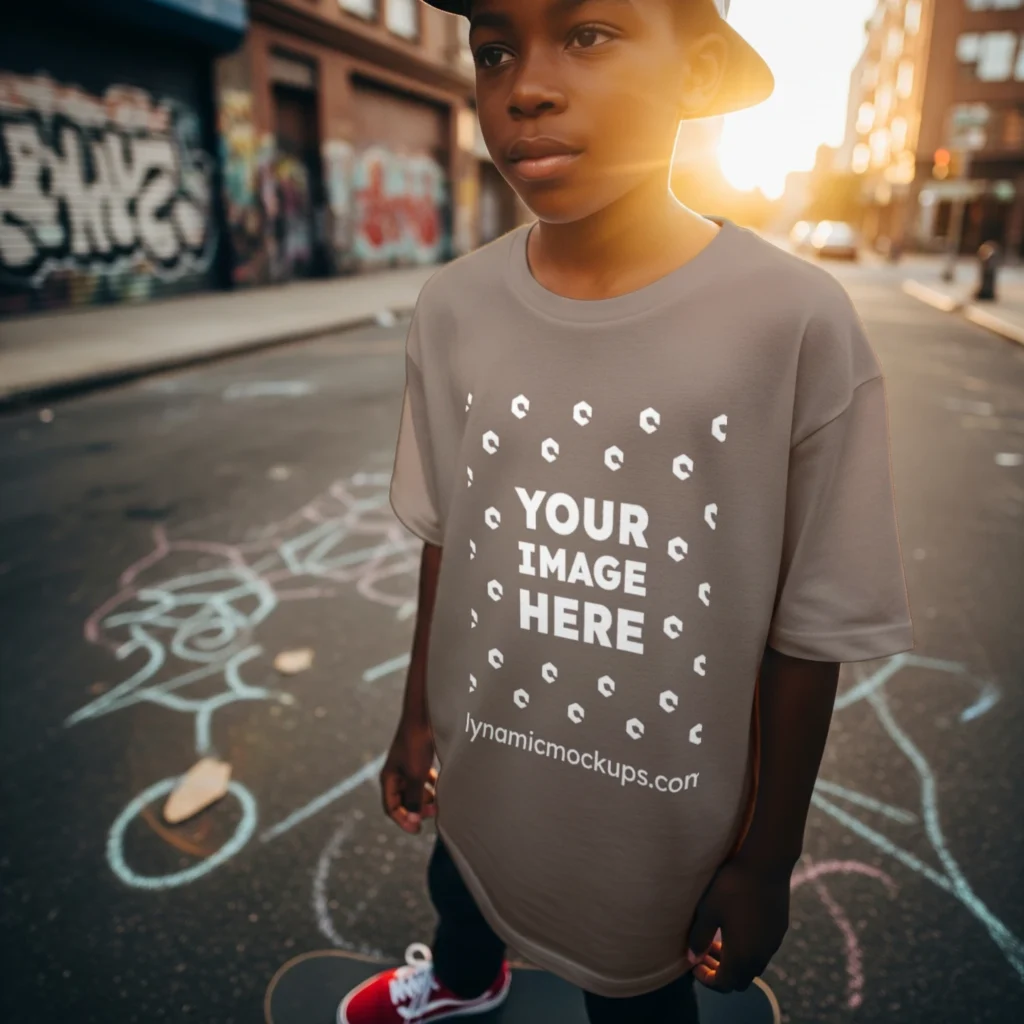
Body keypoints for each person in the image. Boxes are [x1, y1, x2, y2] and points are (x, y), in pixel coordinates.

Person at [338, 1, 915, 1021]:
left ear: (695, 74)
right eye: (494, 48)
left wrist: (767, 855)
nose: (525, 85)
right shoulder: (453, 306)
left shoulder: (790, 320)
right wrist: (418, 711)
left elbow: (811, 623)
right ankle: (465, 983)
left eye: (588, 34)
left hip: (659, 824)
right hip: (484, 762)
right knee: (460, 882)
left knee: (636, 996)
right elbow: (449, 534)